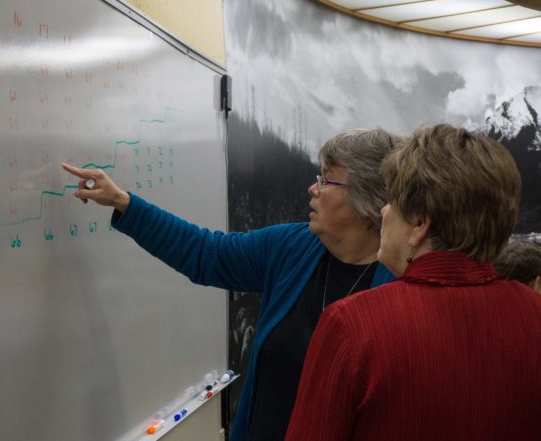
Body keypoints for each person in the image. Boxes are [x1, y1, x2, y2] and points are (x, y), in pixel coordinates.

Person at [61, 128, 400, 441]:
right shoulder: (290, 248)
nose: (313, 188)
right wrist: (124, 203)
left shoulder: (401, 286)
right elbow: (205, 253)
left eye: (327, 180)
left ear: (365, 199)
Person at [285, 124, 541, 441]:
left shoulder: (352, 325)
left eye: (392, 200)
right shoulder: (534, 311)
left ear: (419, 223)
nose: (384, 210)